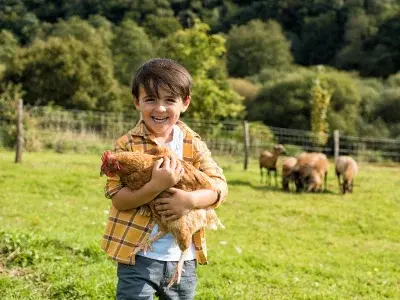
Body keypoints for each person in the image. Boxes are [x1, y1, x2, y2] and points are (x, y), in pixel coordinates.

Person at [101, 58, 228, 300]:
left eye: (169, 100)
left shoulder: (193, 144)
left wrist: (190, 200)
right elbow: (119, 200)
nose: (160, 108)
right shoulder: (126, 145)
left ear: (185, 103)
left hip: (183, 257)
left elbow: (219, 187)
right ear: (137, 102)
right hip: (136, 255)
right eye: (150, 99)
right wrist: (156, 185)